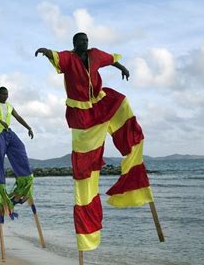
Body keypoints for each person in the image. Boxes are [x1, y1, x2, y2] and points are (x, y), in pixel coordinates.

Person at [35, 33, 154, 251]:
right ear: (74, 44)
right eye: (81, 41)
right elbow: (57, 56)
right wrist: (45, 52)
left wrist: (124, 69)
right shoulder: (69, 58)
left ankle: (133, 164)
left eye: (86, 41)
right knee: (84, 167)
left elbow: (112, 60)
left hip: (99, 103)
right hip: (81, 113)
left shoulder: (95, 55)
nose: (84, 43)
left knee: (122, 102)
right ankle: (87, 227)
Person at [0, 86, 34, 222]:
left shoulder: (10, 106)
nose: (5, 96)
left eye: (7, 94)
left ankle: (24, 180)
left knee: (21, 148)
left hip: (8, 133)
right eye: (3, 94)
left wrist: (28, 127)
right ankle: (1, 190)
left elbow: (18, 117)